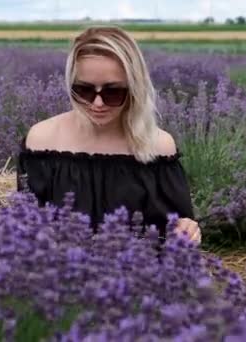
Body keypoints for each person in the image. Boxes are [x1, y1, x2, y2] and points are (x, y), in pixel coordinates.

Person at [16, 25, 201, 244]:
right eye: (84, 90)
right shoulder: (43, 141)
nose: (97, 103)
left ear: (134, 87)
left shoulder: (159, 146)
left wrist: (188, 232)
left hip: (139, 274)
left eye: (113, 92)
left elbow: (177, 227)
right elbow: (26, 225)